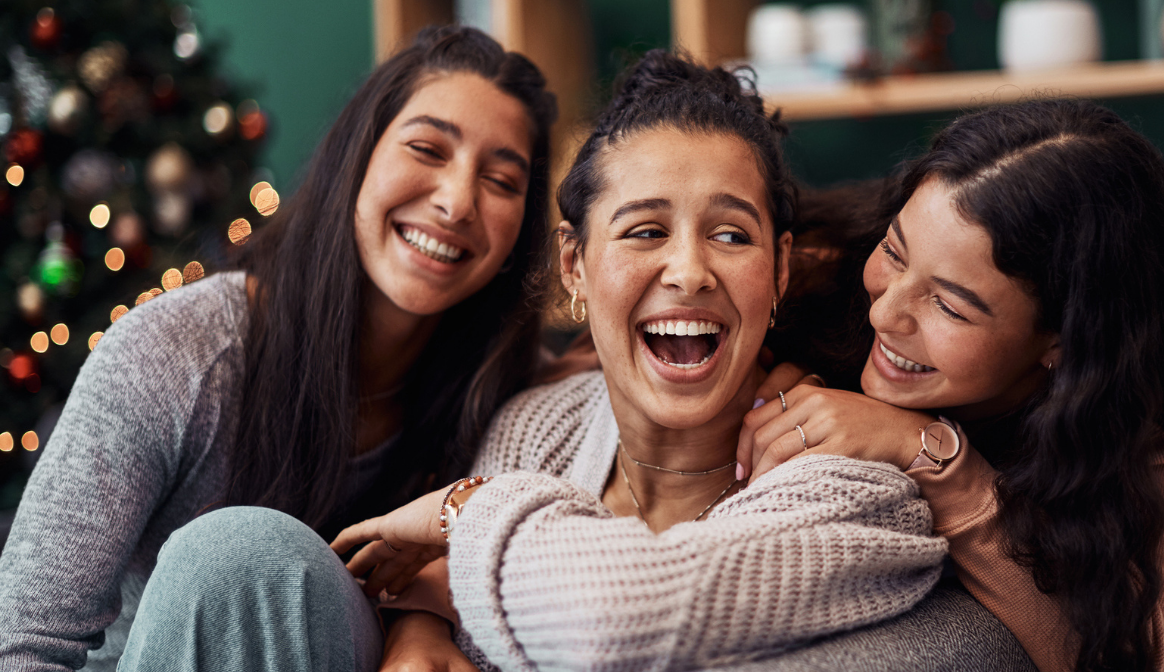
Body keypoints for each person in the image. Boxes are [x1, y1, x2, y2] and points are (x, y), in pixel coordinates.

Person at [125, 50, 965, 672]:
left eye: (730, 234)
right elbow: (446, 612)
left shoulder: (851, 480)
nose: (688, 270)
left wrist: (463, 510)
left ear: (778, 271)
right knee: (233, 553)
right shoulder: (535, 424)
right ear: (574, 268)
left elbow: (612, 619)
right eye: (643, 230)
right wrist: (421, 622)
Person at [0, 25, 556, 671]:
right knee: (245, 553)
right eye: (428, 148)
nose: (458, 201)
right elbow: (23, 643)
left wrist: (423, 620)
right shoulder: (178, 353)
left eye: (502, 181)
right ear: (358, 156)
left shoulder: (510, 403)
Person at [737, 98, 1164, 672]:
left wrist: (929, 453)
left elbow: (1118, 656)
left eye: (949, 306)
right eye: (895, 253)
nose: (884, 314)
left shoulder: (1160, 436)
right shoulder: (819, 267)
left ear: (1063, 341)